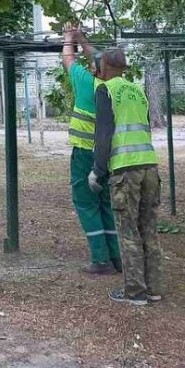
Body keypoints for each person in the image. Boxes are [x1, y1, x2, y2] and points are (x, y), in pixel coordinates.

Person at [89, 49, 164, 306]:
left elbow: (103, 134)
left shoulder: (106, 91)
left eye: (96, 65)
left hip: (125, 170)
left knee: (129, 231)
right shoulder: (138, 91)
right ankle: (153, 288)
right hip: (150, 167)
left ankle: (135, 293)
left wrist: (97, 171)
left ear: (105, 68)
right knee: (149, 230)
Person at [62, 26, 120, 276]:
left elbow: (68, 60)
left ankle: (100, 259)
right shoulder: (117, 86)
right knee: (106, 203)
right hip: (110, 156)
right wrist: (82, 39)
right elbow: (100, 59)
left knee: (86, 204)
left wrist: (68, 39)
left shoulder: (86, 84)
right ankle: (116, 257)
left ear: (95, 70)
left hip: (86, 155)